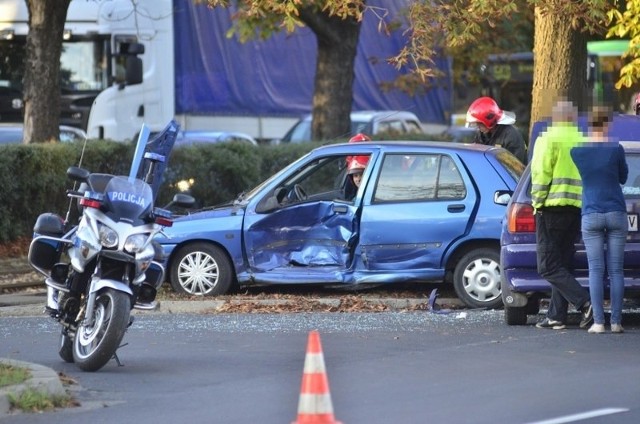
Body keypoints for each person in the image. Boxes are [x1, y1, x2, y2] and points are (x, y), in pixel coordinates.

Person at [531, 98, 593, 330]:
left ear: (556, 118)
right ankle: (556, 316)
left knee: (547, 266)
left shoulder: (548, 138)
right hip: (576, 210)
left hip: (551, 208)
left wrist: (536, 204)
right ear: (573, 118)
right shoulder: (583, 139)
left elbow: (541, 174)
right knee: (562, 264)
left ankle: (585, 302)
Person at [570, 106, 628, 334]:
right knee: (616, 270)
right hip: (616, 212)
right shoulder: (616, 149)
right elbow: (623, 177)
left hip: (591, 213)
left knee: (595, 269)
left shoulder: (577, 152)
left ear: (589, 126)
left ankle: (598, 322)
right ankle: (616, 322)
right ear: (608, 125)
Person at [465, 96, 528, 164]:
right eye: (477, 124)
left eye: (480, 124)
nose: (478, 127)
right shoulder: (482, 134)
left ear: (490, 120)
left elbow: (515, 167)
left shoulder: (511, 136)